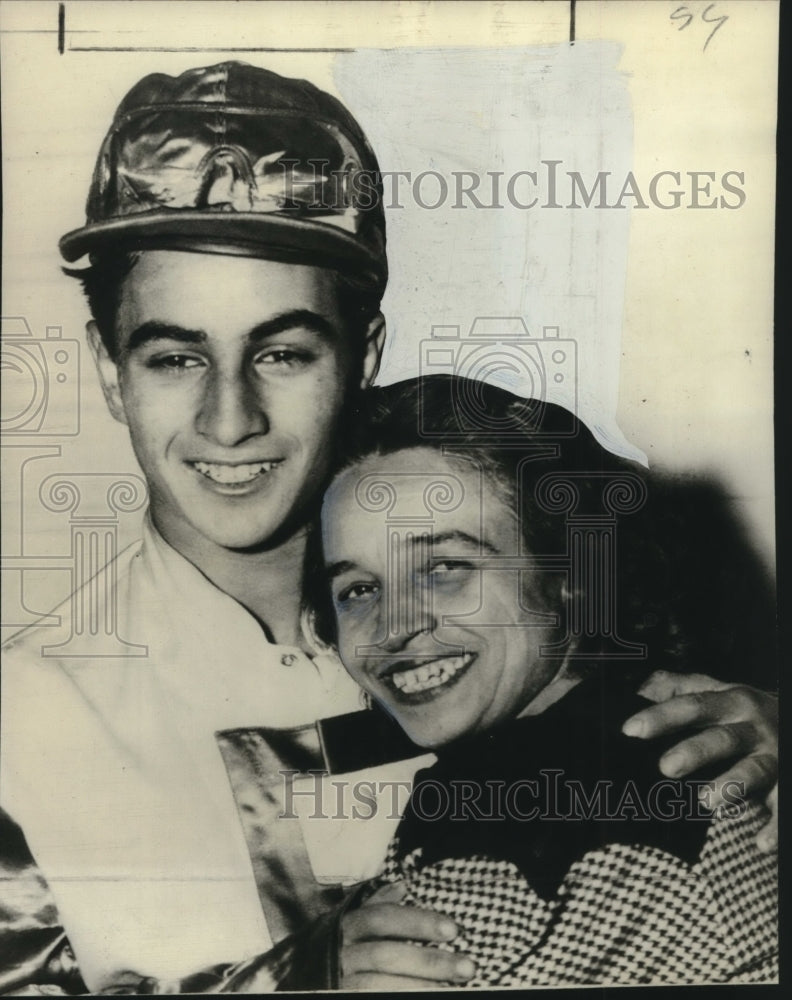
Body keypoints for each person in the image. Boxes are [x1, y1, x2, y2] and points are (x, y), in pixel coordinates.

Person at [0, 63, 778, 994]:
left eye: (283, 351)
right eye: (173, 356)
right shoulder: (21, 725)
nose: (229, 420)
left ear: (363, 354)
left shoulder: (531, 633)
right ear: (104, 368)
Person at [315, 375, 776, 987]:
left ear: (571, 577)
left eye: (446, 567)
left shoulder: (538, 821)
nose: (392, 628)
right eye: (359, 590)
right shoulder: (642, 753)